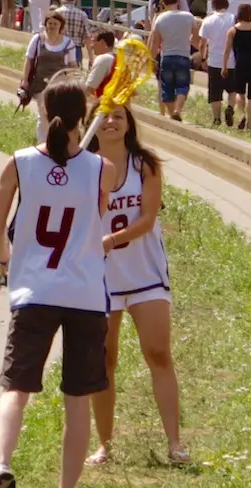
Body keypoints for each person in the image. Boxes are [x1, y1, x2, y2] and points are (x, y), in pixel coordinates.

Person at [0, 81, 115, 488]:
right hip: (85, 295)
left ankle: (2, 463)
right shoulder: (102, 170)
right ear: (84, 117)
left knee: (15, 389)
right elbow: (97, 220)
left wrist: (8, 263)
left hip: (33, 292)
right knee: (76, 403)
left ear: (42, 113)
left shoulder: (19, 163)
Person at [84, 95, 187, 466]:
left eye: (117, 117)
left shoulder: (145, 164)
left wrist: (110, 240)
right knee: (104, 359)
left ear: (129, 124)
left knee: (158, 353)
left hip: (145, 273)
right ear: (93, 124)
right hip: (102, 278)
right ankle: (104, 445)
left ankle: (175, 443)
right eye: (104, 117)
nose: (110, 122)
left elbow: (146, 218)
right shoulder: (84, 166)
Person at [18, 12, 78, 141]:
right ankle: (43, 142)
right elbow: (29, 60)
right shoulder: (38, 40)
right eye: (50, 23)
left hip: (60, 86)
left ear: (61, 26)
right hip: (41, 84)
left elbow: (72, 64)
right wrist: (25, 80)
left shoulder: (68, 43)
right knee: (43, 114)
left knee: (58, 115)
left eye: (55, 24)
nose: (52, 26)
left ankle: (56, 141)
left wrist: (76, 81)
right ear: (45, 24)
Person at [145, 0, 197, 120]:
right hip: (183, 56)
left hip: (166, 57)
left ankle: (172, 113)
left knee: (166, 88)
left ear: (163, 4)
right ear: (178, 2)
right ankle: (177, 110)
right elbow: (196, 39)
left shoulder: (160, 19)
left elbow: (155, 42)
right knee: (183, 86)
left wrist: (151, 59)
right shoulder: (189, 17)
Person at [220, 2, 251, 130]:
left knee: (240, 93)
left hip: (240, 63)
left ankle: (242, 115)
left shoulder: (233, 30)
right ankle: (250, 124)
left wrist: (224, 67)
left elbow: (227, 51)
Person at [197, 0, 237, 126]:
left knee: (215, 92)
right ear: (227, 4)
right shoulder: (233, 19)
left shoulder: (208, 20)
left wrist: (202, 58)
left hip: (214, 61)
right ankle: (230, 107)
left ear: (213, 5)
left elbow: (202, 43)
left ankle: (216, 119)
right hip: (232, 61)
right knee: (232, 89)